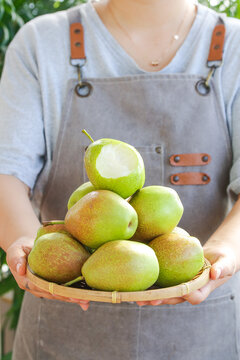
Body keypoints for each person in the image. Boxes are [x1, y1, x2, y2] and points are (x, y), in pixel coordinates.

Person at [0, 0, 240, 358]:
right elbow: (6, 171)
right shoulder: (41, 43)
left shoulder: (234, 47)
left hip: (202, 334)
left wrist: (227, 249)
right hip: (64, 335)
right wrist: (23, 240)